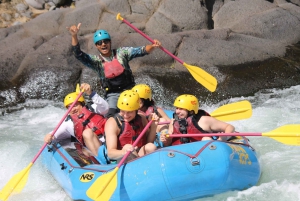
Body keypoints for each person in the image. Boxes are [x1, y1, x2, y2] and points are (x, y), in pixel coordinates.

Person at [68, 23, 162, 118]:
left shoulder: (122, 53)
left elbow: (141, 51)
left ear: (110, 42)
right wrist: (74, 35)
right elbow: (78, 54)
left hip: (130, 89)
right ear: (96, 46)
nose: (103, 44)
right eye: (100, 43)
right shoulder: (96, 62)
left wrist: (153, 46)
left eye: (106, 41)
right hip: (112, 94)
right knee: (110, 115)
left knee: (145, 107)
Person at [44, 83, 109, 157]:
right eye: (69, 107)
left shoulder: (93, 108)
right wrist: (49, 136)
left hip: (110, 139)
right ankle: (102, 160)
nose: (73, 109)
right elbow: (53, 134)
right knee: (87, 133)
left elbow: (105, 107)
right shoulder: (68, 123)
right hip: (94, 148)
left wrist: (91, 93)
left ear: (82, 104)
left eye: (75, 105)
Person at [104, 90, 160, 162]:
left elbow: (149, 141)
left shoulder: (141, 118)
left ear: (136, 110)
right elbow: (110, 153)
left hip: (138, 153)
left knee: (151, 147)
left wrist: (154, 126)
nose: (125, 115)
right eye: (122, 111)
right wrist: (124, 152)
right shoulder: (113, 122)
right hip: (121, 158)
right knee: (128, 147)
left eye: (130, 112)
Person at [160, 94, 235, 147]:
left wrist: (222, 139)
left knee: (206, 139)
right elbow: (169, 143)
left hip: (202, 156)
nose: (177, 112)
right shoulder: (173, 121)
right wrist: (166, 140)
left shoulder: (203, 120)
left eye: (181, 109)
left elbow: (230, 127)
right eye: (177, 108)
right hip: (181, 155)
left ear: (191, 111)